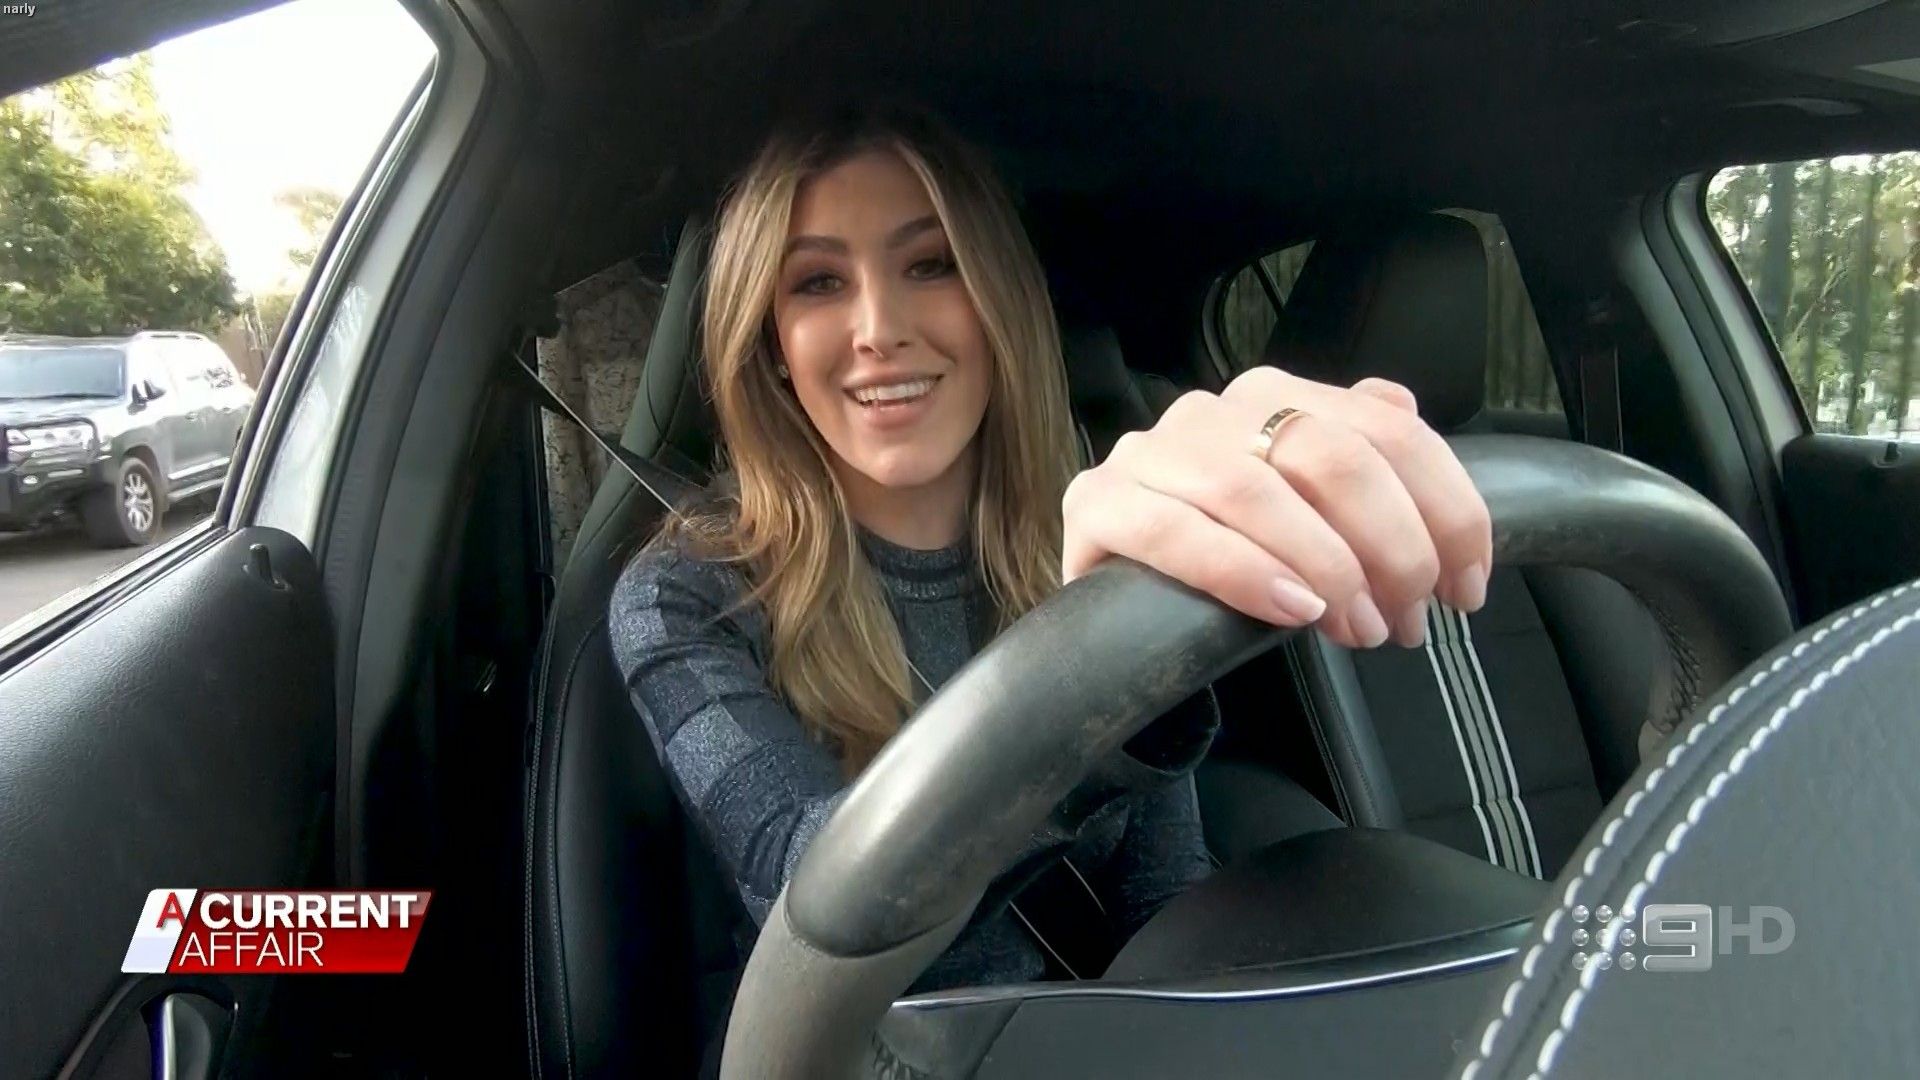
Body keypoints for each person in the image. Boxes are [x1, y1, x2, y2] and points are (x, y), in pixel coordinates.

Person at [608, 105, 1491, 996]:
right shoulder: (687, 595)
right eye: (818, 283)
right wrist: (1086, 700)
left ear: (996, 301)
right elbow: (825, 921)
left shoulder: (1101, 538)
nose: (877, 328)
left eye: (931, 264)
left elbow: (1161, 902)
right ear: (772, 343)